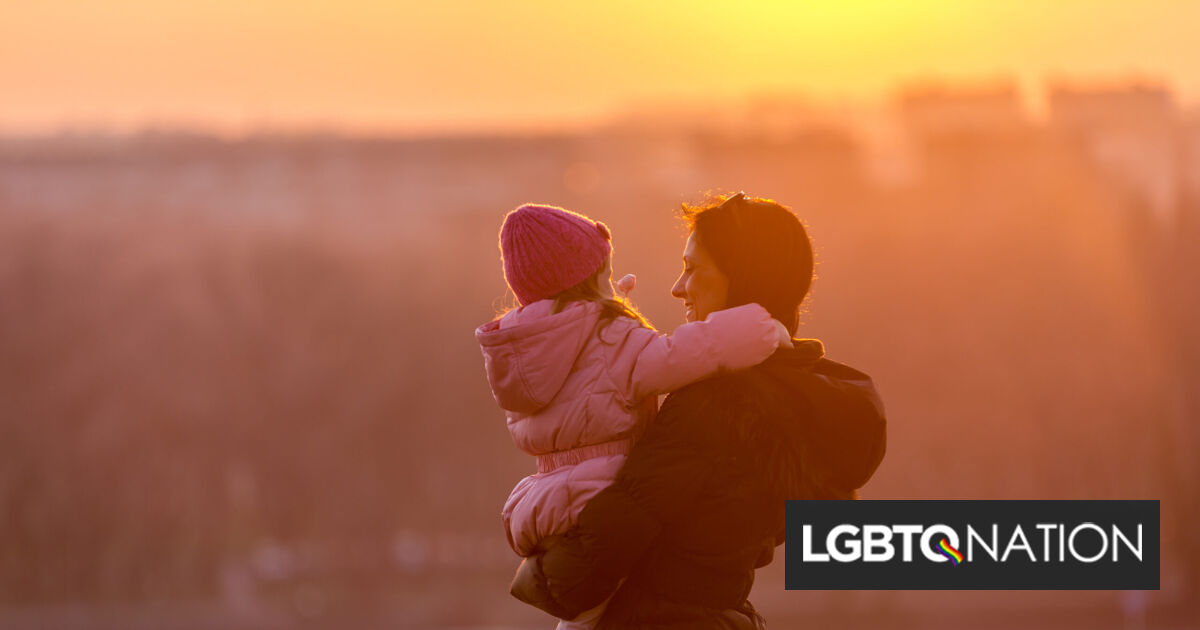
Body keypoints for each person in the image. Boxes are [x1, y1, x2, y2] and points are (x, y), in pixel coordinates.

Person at [509, 193, 888, 629]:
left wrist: (548, 574)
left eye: (692, 268)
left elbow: (626, 518)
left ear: (741, 280)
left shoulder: (714, 405)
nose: (677, 287)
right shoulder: (795, 400)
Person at [475, 203, 794, 629]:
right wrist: (761, 329)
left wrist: (610, 307)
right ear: (589, 281)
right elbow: (686, 352)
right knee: (605, 608)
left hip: (548, 502)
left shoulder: (526, 350)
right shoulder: (612, 342)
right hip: (599, 496)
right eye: (605, 276)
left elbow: (585, 381)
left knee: (586, 614)